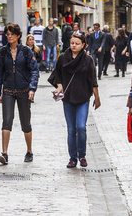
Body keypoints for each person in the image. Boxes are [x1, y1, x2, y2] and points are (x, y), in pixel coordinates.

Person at [48, 33, 101, 168]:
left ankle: (82, 155)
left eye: (77, 43)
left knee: (81, 127)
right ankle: (72, 158)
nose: (74, 45)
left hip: (83, 97)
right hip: (68, 98)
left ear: (83, 45)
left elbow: (93, 80)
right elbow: (56, 75)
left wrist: (97, 97)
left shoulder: (88, 60)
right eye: (72, 43)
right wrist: (59, 86)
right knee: (71, 130)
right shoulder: (63, 58)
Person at [0, 24, 39, 165]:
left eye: (12, 34)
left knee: (25, 122)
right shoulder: (3, 52)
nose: (9, 36)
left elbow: (34, 71)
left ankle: (29, 151)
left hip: (24, 91)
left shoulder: (26, 51)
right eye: (7, 34)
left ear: (18, 36)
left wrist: (32, 88)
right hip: (7, 90)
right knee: (7, 121)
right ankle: (4, 154)